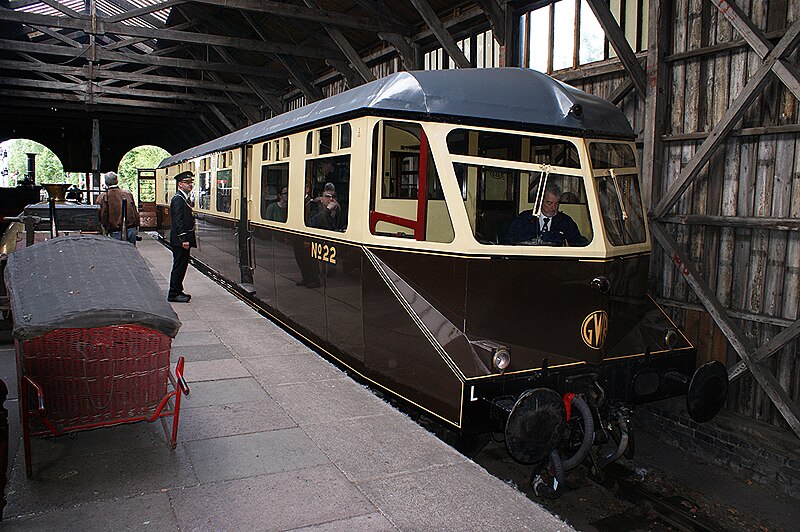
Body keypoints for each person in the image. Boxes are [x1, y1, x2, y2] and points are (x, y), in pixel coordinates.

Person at [507, 183, 588, 246]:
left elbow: (578, 241)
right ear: (540, 201)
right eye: (549, 203)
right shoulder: (524, 218)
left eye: (556, 204)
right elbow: (511, 240)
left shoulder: (565, 221)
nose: (553, 208)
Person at [168, 171, 196, 303]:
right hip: (180, 241)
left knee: (181, 265)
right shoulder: (178, 199)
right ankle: (174, 293)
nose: (190, 185)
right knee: (179, 266)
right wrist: (184, 239)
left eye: (191, 182)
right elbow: (178, 221)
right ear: (180, 184)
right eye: (187, 183)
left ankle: (178, 290)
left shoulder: (183, 198)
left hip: (182, 240)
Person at [98, 171, 139, 245]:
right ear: (117, 181)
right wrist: (137, 226)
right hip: (130, 228)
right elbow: (135, 211)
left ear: (106, 182)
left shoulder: (104, 196)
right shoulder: (127, 194)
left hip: (114, 230)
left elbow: (102, 214)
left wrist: (103, 229)